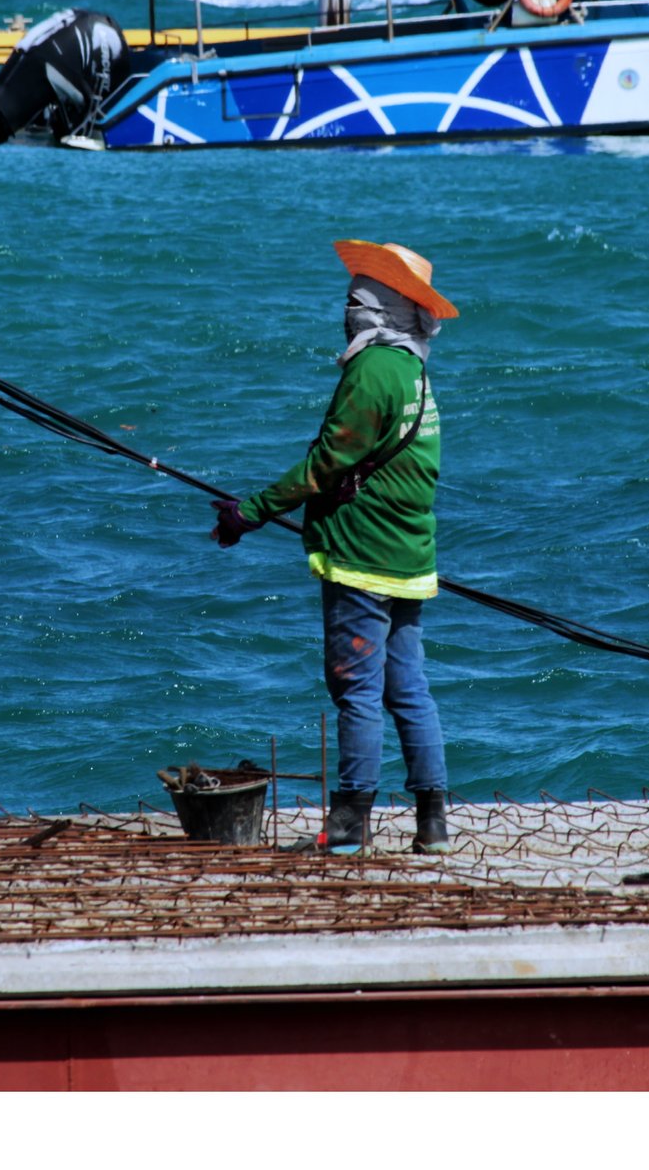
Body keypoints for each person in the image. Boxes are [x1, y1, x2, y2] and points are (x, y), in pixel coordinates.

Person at [212, 241, 456, 856]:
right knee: (409, 689)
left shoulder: (371, 371)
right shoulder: (412, 371)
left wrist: (250, 513)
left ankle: (349, 825)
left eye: (358, 301)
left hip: (363, 557)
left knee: (357, 691)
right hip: (408, 557)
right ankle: (433, 825)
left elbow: (326, 462)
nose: (347, 312)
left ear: (385, 309)